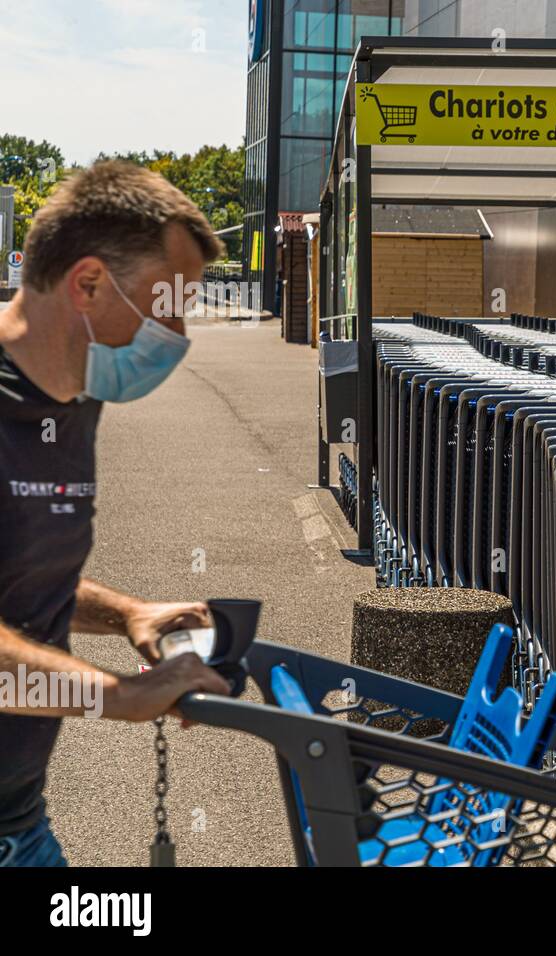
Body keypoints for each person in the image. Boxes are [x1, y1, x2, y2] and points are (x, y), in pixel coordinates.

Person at [0, 161, 231, 867]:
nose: (180, 330)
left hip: (19, 823)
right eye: (168, 302)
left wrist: (127, 613)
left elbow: (20, 578)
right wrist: (120, 694)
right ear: (90, 283)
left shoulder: (77, 398)